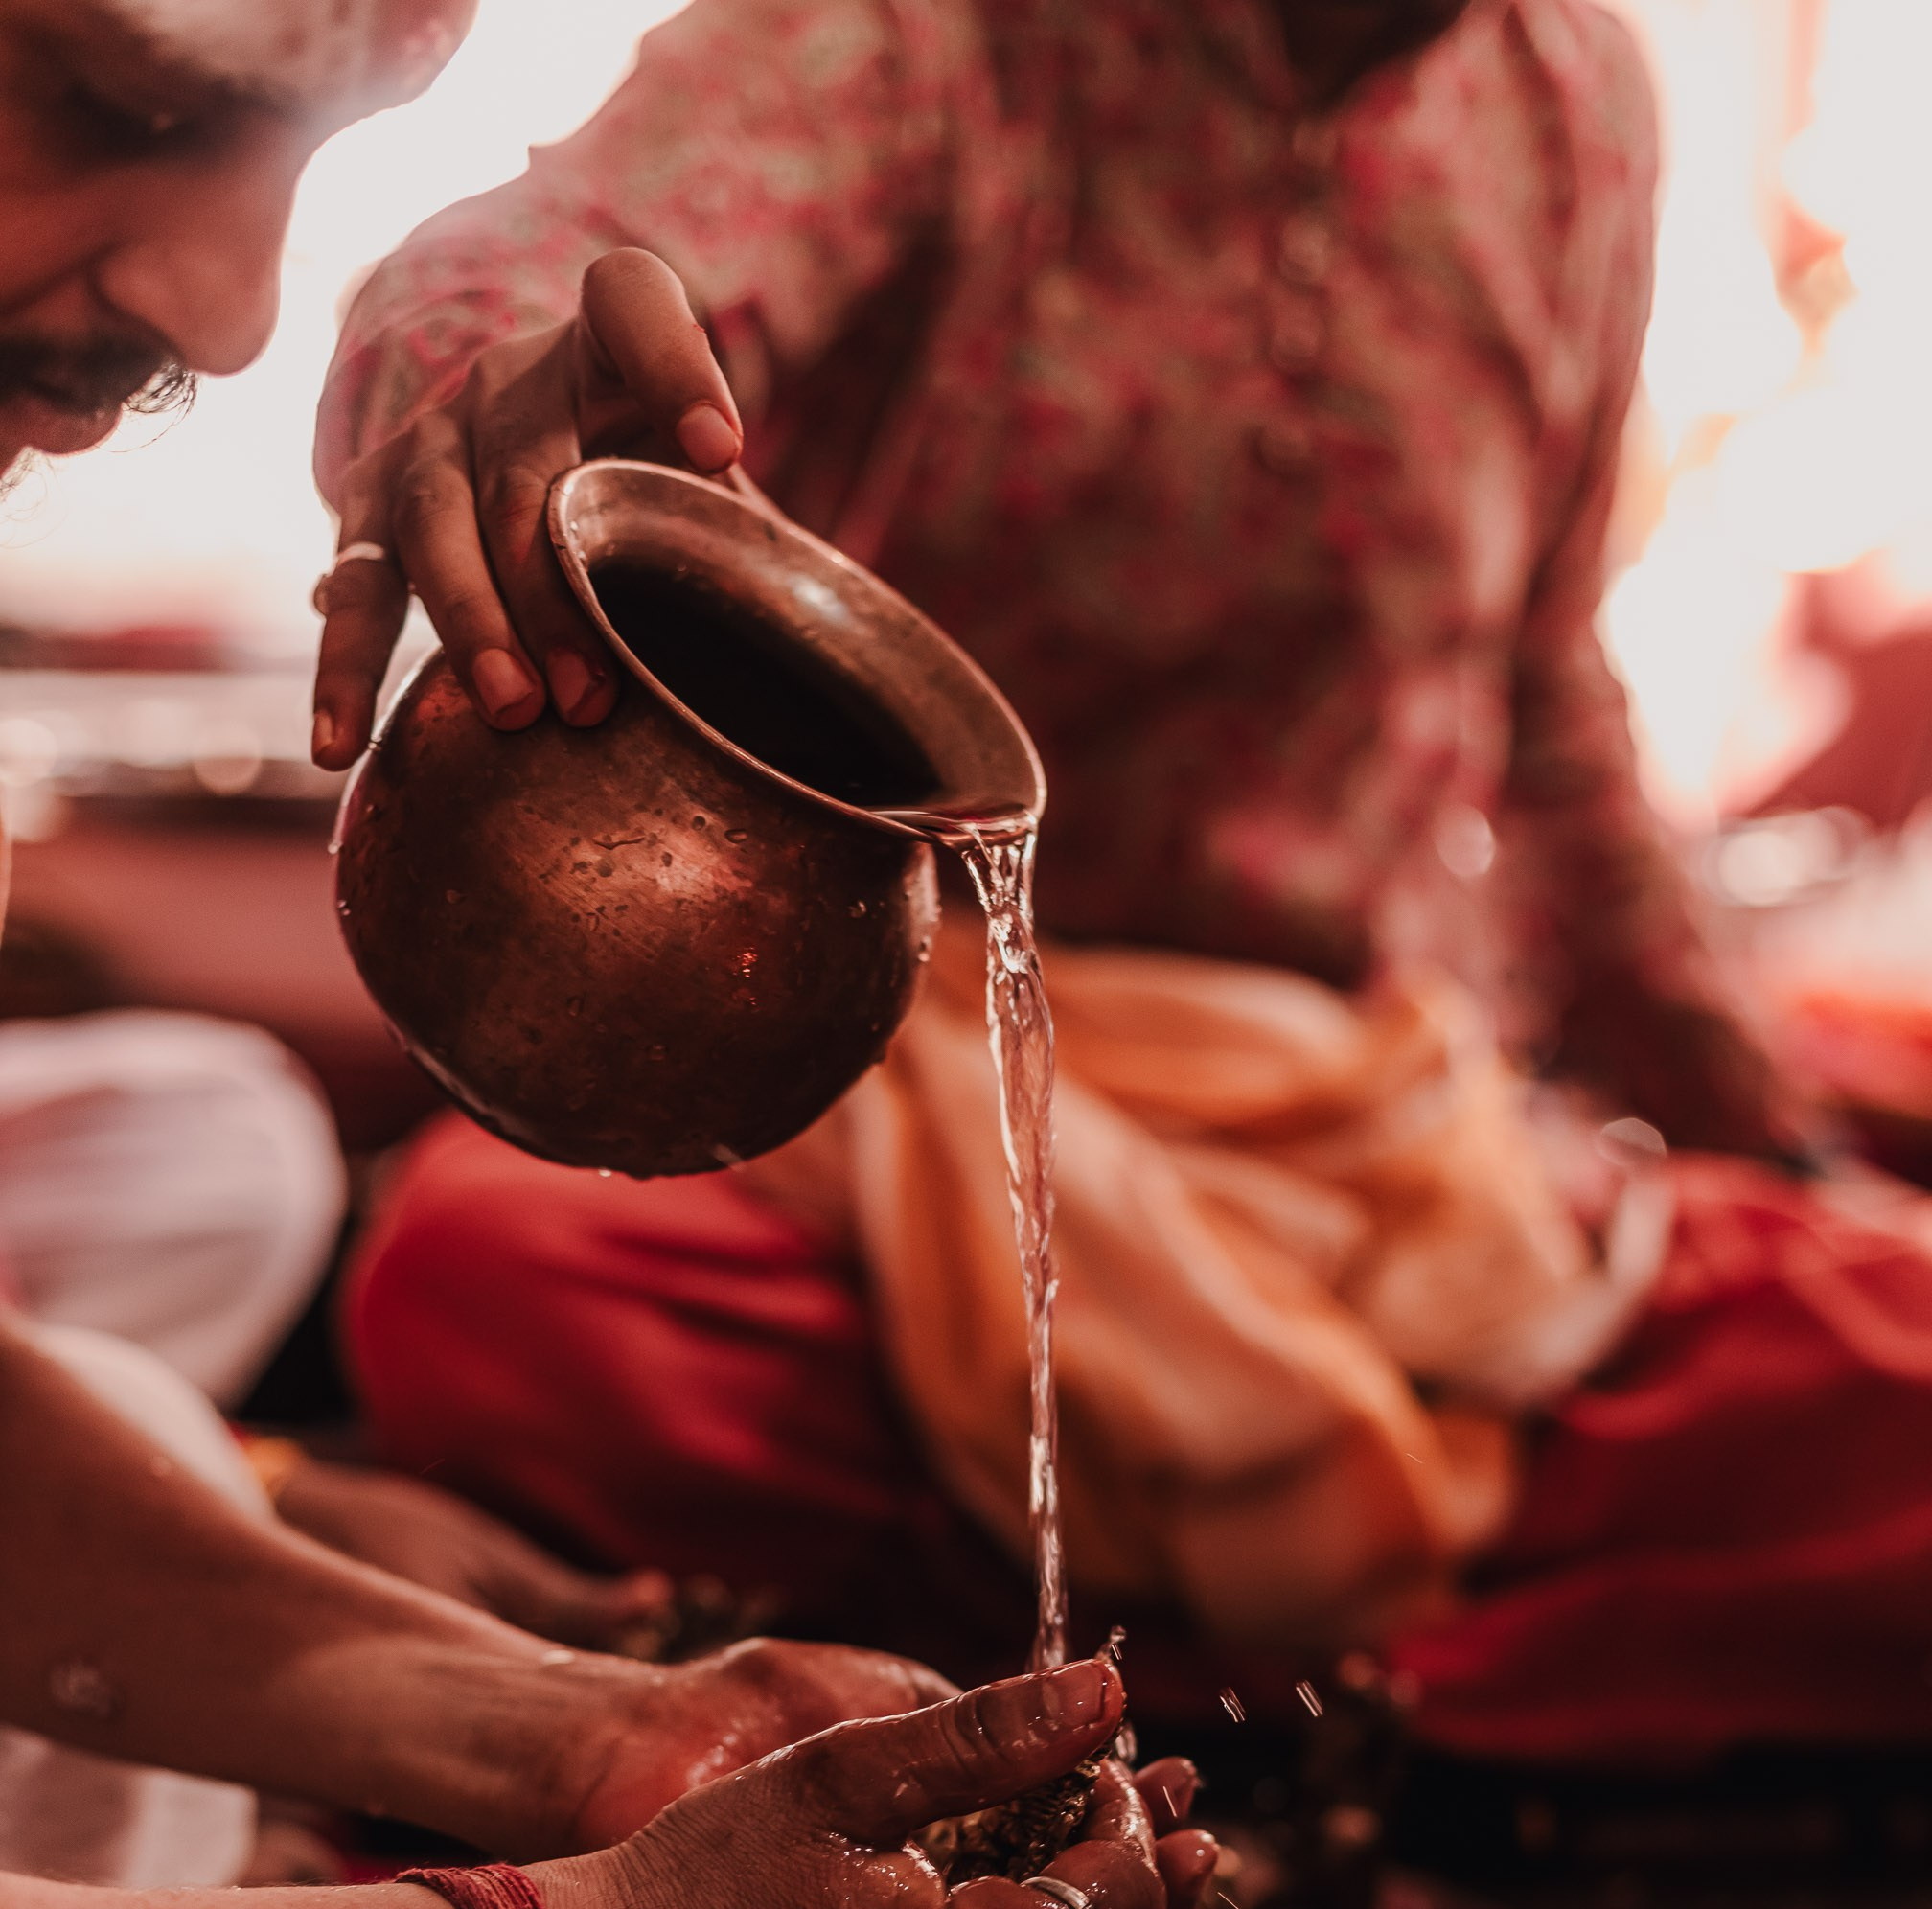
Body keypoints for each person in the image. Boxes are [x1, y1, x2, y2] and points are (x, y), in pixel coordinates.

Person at [310, 0, 1932, 1760]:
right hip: (902, 1096)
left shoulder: (1576, 100)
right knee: (491, 1276)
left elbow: (1542, 691)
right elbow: (569, 254)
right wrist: (478, 371)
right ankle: (1375, 1690)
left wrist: (1770, 1141)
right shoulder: (924, 38)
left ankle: (1018, 1688)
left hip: (1361, 1136)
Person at [0, 0, 1207, 1909]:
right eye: (133, 109)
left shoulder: (1574, 121)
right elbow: (560, 252)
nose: (232, 309)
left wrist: (605, 1739)